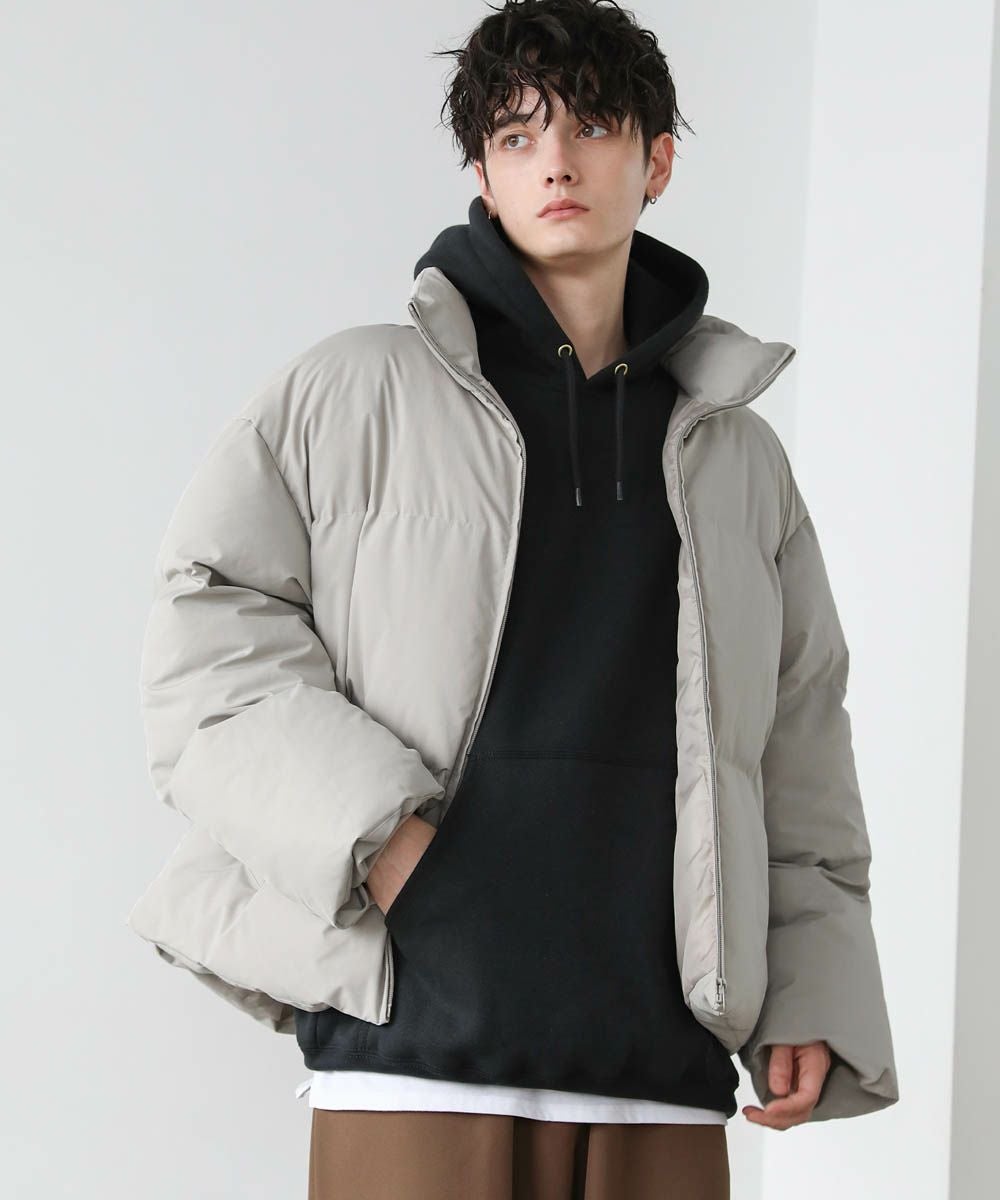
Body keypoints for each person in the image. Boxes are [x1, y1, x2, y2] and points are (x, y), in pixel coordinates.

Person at [126, 2, 899, 1197]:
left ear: (656, 160)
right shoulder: (353, 391)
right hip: (418, 1045)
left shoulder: (737, 458)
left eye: (591, 126)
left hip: (655, 1058)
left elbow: (797, 737)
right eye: (517, 134)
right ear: (482, 173)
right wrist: (382, 843)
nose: (556, 162)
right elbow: (208, 638)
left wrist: (809, 986)